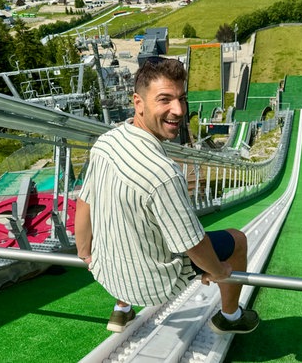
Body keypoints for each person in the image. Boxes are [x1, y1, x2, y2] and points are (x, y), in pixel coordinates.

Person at [74, 56, 259, 334]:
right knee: (238, 239)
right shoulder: (164, 174)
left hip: (106, 273)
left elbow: (84, 202)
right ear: (138, 103)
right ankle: (230, 317)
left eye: (181, 99)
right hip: (156, 285)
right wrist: (219, 270)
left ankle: (121, 310)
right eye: (165, 99)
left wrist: (84, 253)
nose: (179, 109)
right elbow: (194, 245)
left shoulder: (106, 142)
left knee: (131, 218)